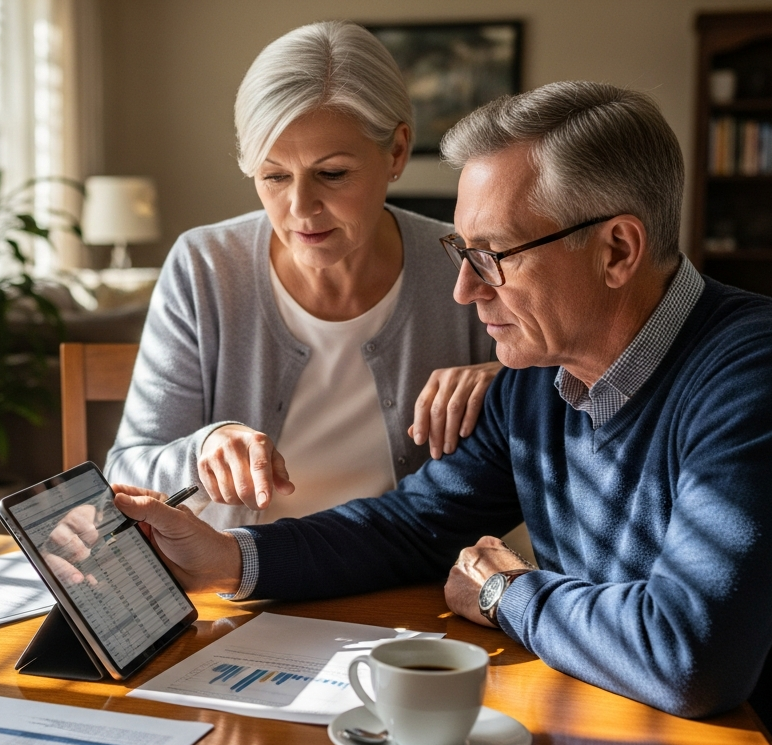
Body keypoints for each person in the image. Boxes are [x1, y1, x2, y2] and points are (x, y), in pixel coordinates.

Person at [102, 82, 772, 745]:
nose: (468, 293)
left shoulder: (768, 377)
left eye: (493, 257)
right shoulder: (541, 378)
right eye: (460, 255)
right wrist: (230, 556)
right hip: (627, 738)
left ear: (616, 250)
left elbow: (690, 659)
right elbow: (413, 527)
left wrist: (506, 593)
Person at [105, 21, 499, 530]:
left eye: (332, 174)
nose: (300, 208)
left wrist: (508, 383)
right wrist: (201, 449)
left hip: (408, 586)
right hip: (232, 581)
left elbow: (571, 402)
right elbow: (126, 469)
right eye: (274, 176)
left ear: (397, 151)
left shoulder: (462, 265)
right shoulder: (204, 266)